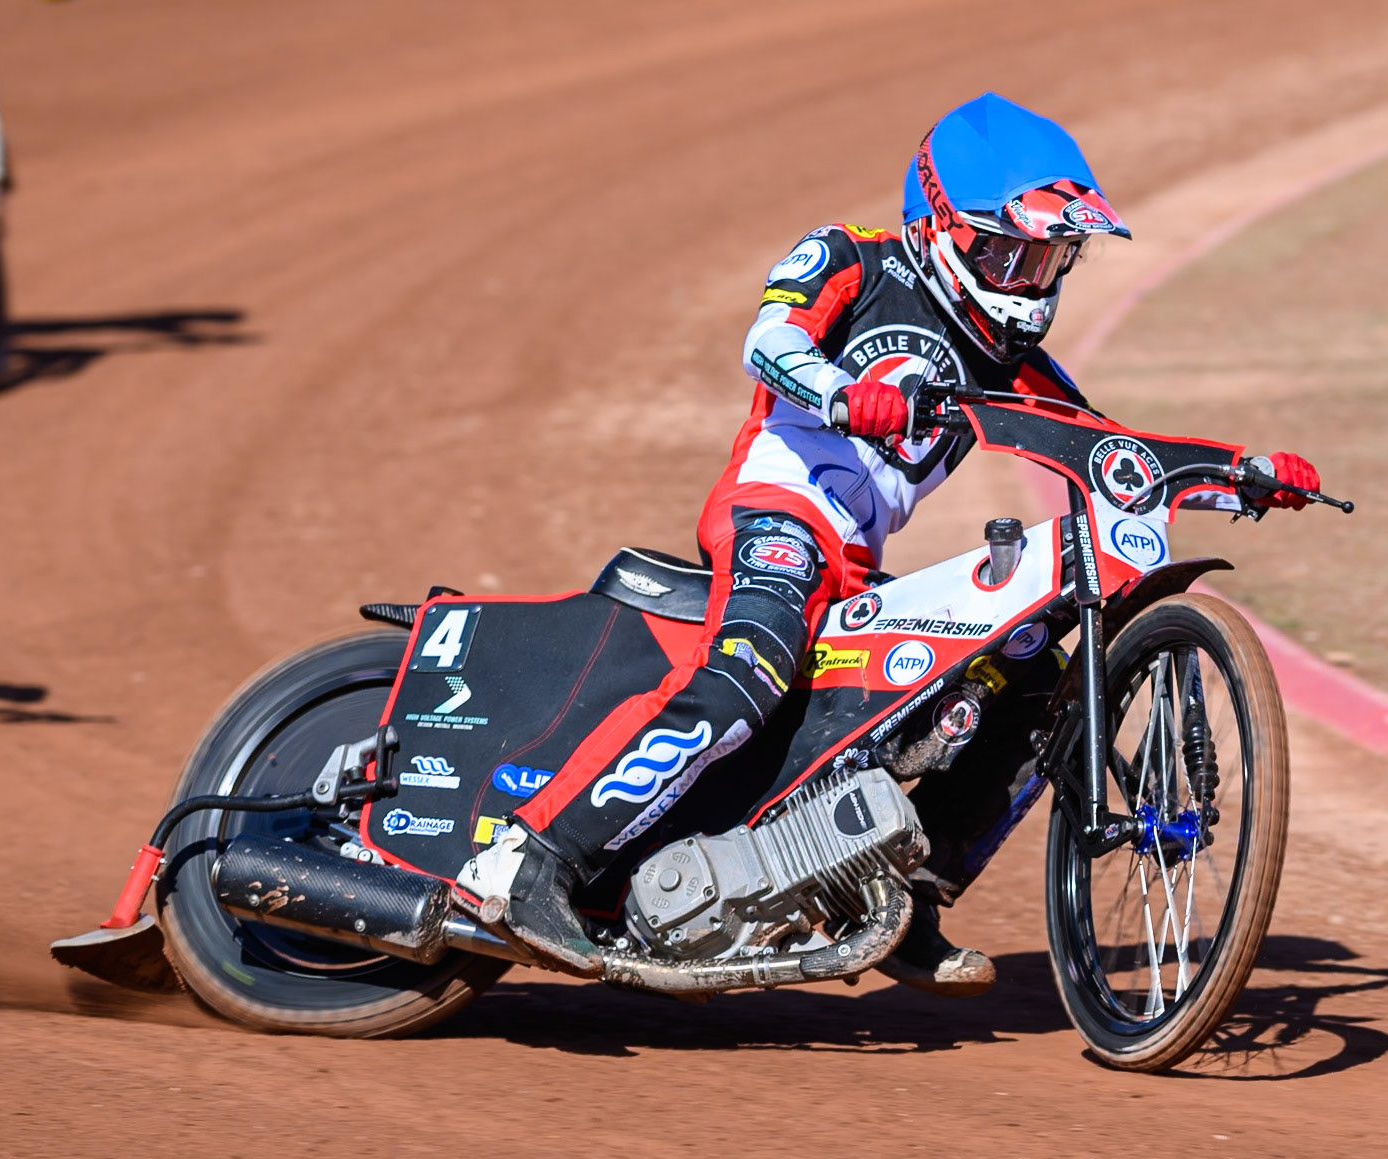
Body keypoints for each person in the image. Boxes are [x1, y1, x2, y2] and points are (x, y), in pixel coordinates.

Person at [496, 93, 1321, 989]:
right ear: (939, 225)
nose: (1028, 281)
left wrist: (1241, 471)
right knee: (750, 668)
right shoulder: (852, 257)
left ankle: (909, 894)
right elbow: (766, 340)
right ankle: (533, 860)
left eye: (1048, 259)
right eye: (1008, 252)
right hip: (778, 509)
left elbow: (1109, 451)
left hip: (858, 565)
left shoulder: (1015, 367)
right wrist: (843, 394)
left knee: (1032, 677)